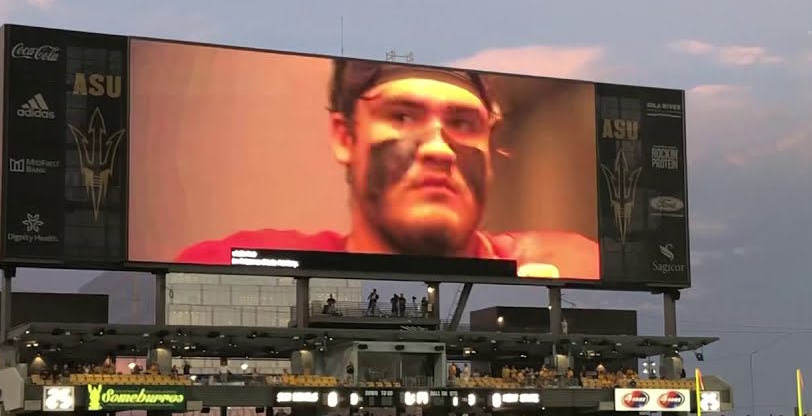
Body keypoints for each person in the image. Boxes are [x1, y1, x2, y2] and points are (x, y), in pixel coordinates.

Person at [176, 61, 600, 279]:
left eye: (464, 124)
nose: (439, 148)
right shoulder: (227, 268)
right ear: (345, 137)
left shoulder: (575, 269)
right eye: (401, 117)